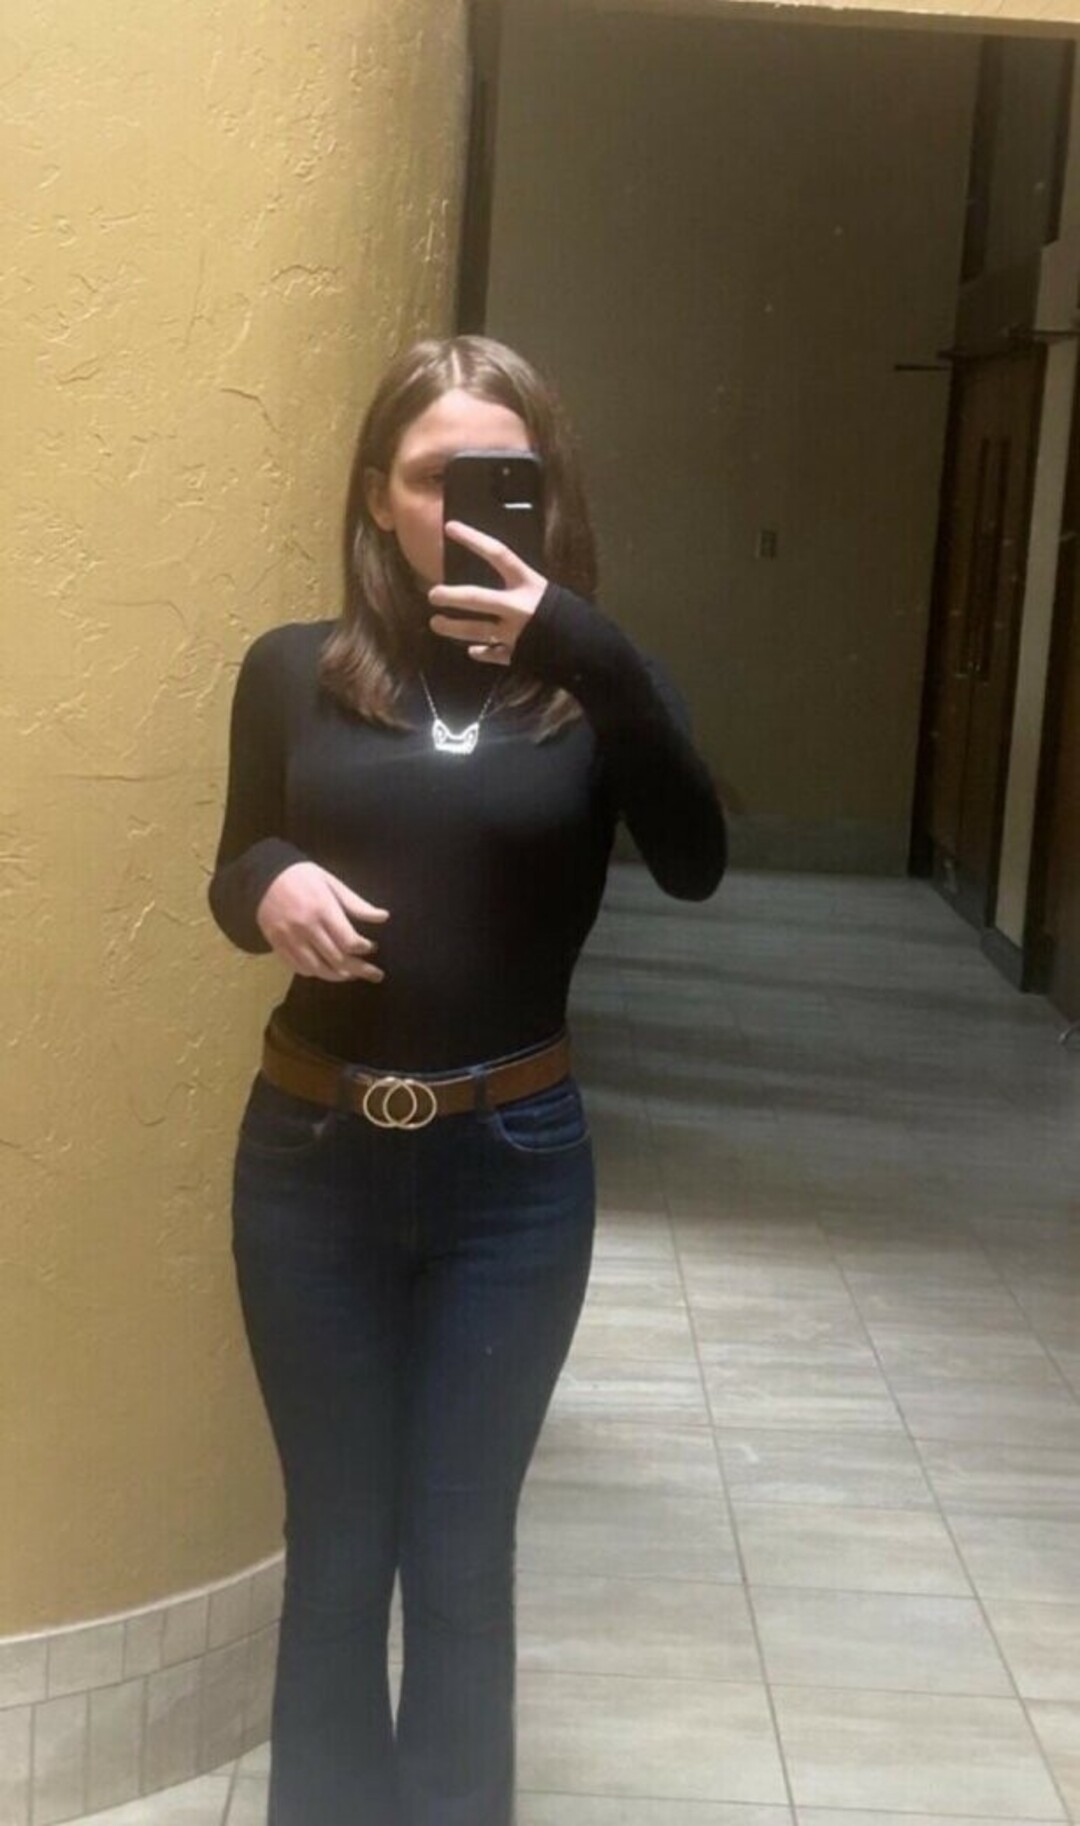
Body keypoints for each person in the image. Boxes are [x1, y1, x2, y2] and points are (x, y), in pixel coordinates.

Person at [208, 333, 726, 1826]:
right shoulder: (289, 672)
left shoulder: (593, 694)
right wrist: (270, 877)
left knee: (457, 1556)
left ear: (552, 499)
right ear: (379, 496)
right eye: (437, 478)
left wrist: (591, 650)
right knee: (336, 1551)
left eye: (509, 479)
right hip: (309, 1162)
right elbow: (231, 869)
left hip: (514, 1174)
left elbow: (696, 861)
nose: (468, 509)